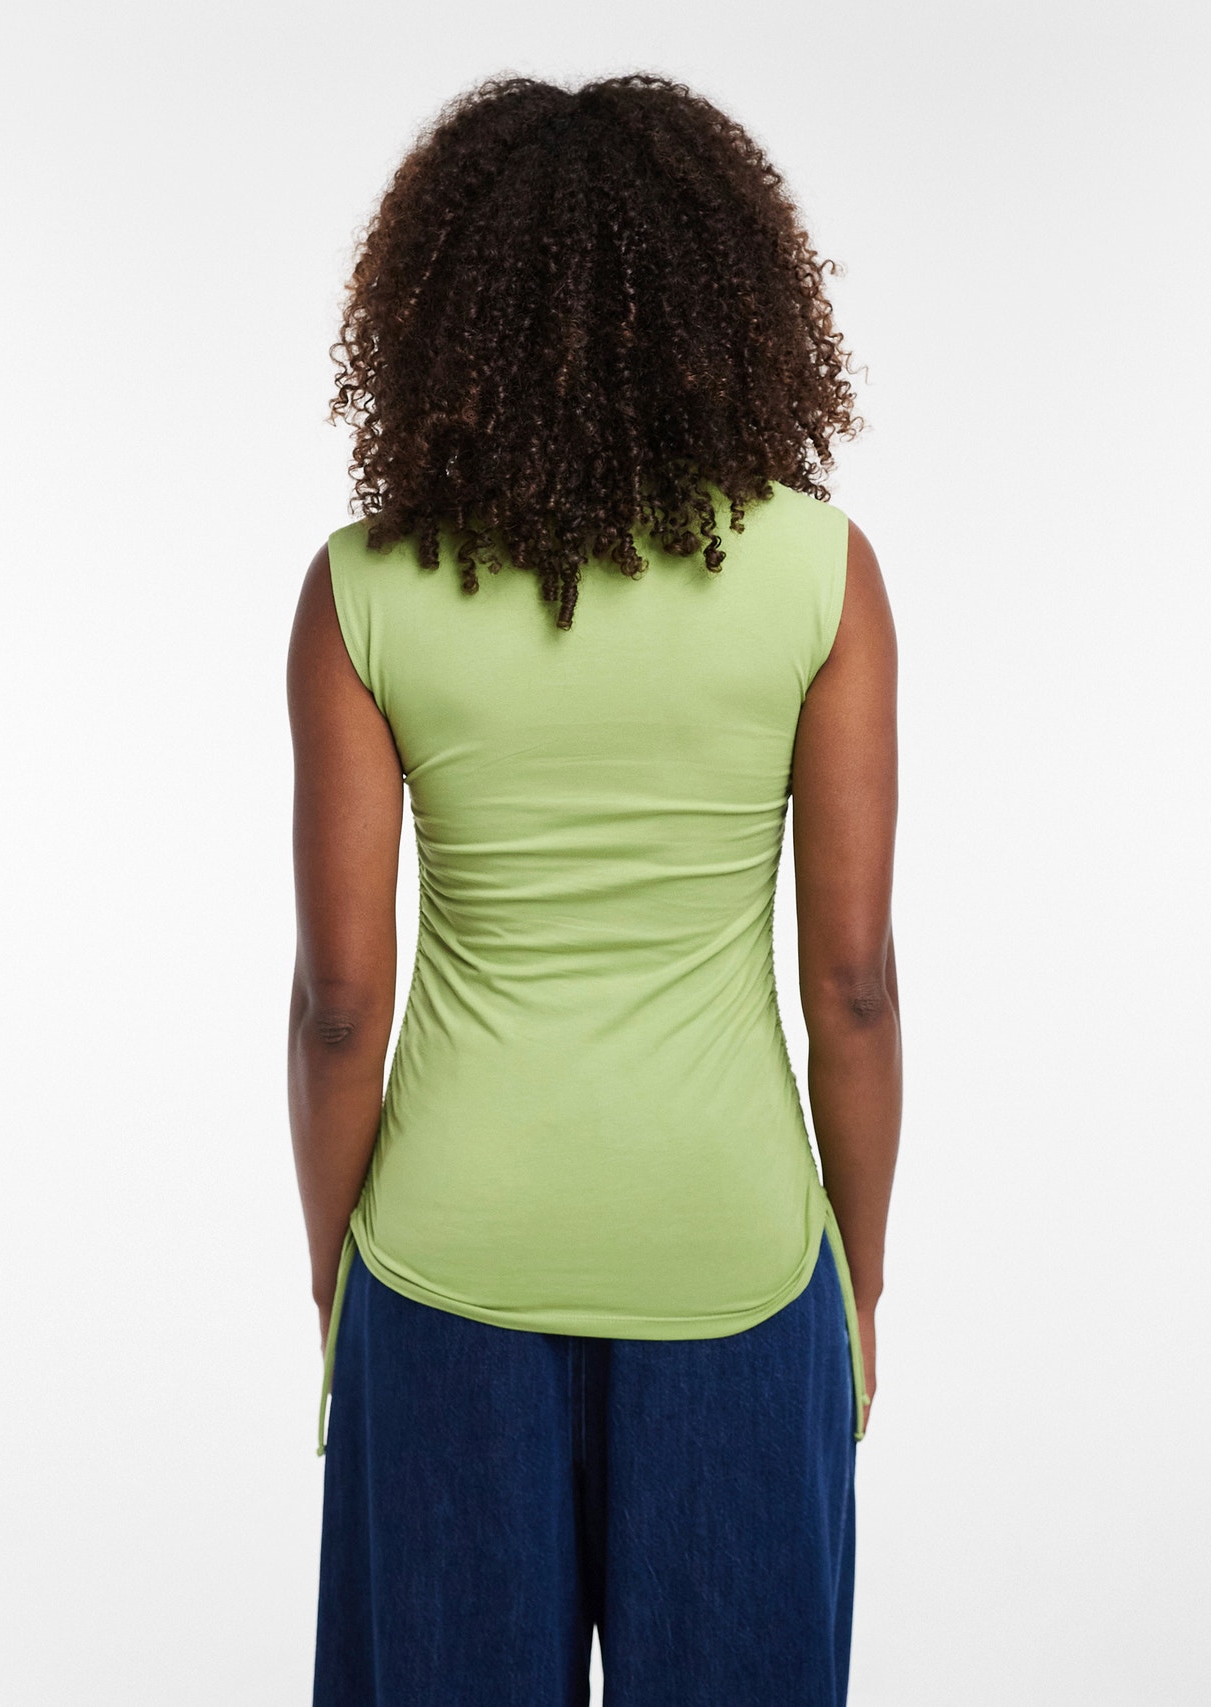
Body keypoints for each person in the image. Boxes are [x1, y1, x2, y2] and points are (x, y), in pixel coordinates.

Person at [287, 71, 901, 1707]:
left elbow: (340, 1006)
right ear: (734, 301)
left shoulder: (361, 590)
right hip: (735, 1257)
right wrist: (858, 1277)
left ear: (438, 313)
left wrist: (341, 1285)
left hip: (445, 1263)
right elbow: (852, 987)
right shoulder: (820, 575)